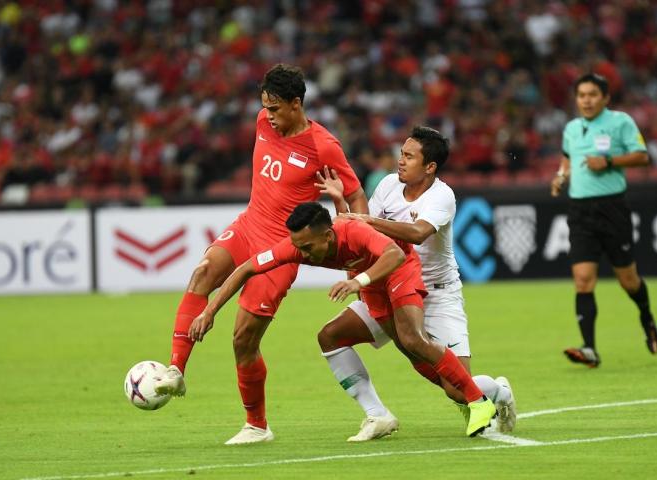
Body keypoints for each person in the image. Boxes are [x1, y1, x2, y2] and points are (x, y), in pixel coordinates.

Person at [153, 64, 368, 444]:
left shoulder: (323, 145)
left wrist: (361, 246)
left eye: (275, 109)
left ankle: (257, 425)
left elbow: (354, 195)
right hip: (249, 223)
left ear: (296, 104)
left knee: (243, 338)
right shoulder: (263, 123)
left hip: (282, 248)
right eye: (265, 108)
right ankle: (175, 370)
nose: (267, 116)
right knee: (203, 271)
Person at [188, 202, 498, 442]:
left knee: (413, 338)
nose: (302, 253)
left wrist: (357, 282)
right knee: (413, 355)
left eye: (308, 247)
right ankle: (475, 394)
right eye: (298, 247)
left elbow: (394, 255)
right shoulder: (298, 246)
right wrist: (209, 311)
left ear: (328, 234)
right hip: (373, 286)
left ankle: (478, 401)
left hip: (398, 271)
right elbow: (245, 269)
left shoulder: (353, 231)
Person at [315, 126, 515, 442]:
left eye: (409, 156)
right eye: (401, 154)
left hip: (437, 294)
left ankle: (499, 392)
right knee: (331, 336)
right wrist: (343, 203)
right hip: (390, 286)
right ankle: (377, 414)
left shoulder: (442, 195)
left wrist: (366, 219)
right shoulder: (388, 186)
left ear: (430, 167)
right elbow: (364, 233)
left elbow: (418, 232)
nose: (401, 161)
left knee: (454, 388)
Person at [551, 73, 657, 368]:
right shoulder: (572, 128)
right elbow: (567, 160)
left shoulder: (620, 122)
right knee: (583, 280)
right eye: (581, 95)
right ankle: (590, 349)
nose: (586, 100)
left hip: (612, 209)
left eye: (592, 95)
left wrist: (609, 161)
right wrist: (561, 177)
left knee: (628, 280)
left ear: (605, 98)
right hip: (580, 211)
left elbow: (642, 156)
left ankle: (647, 318)